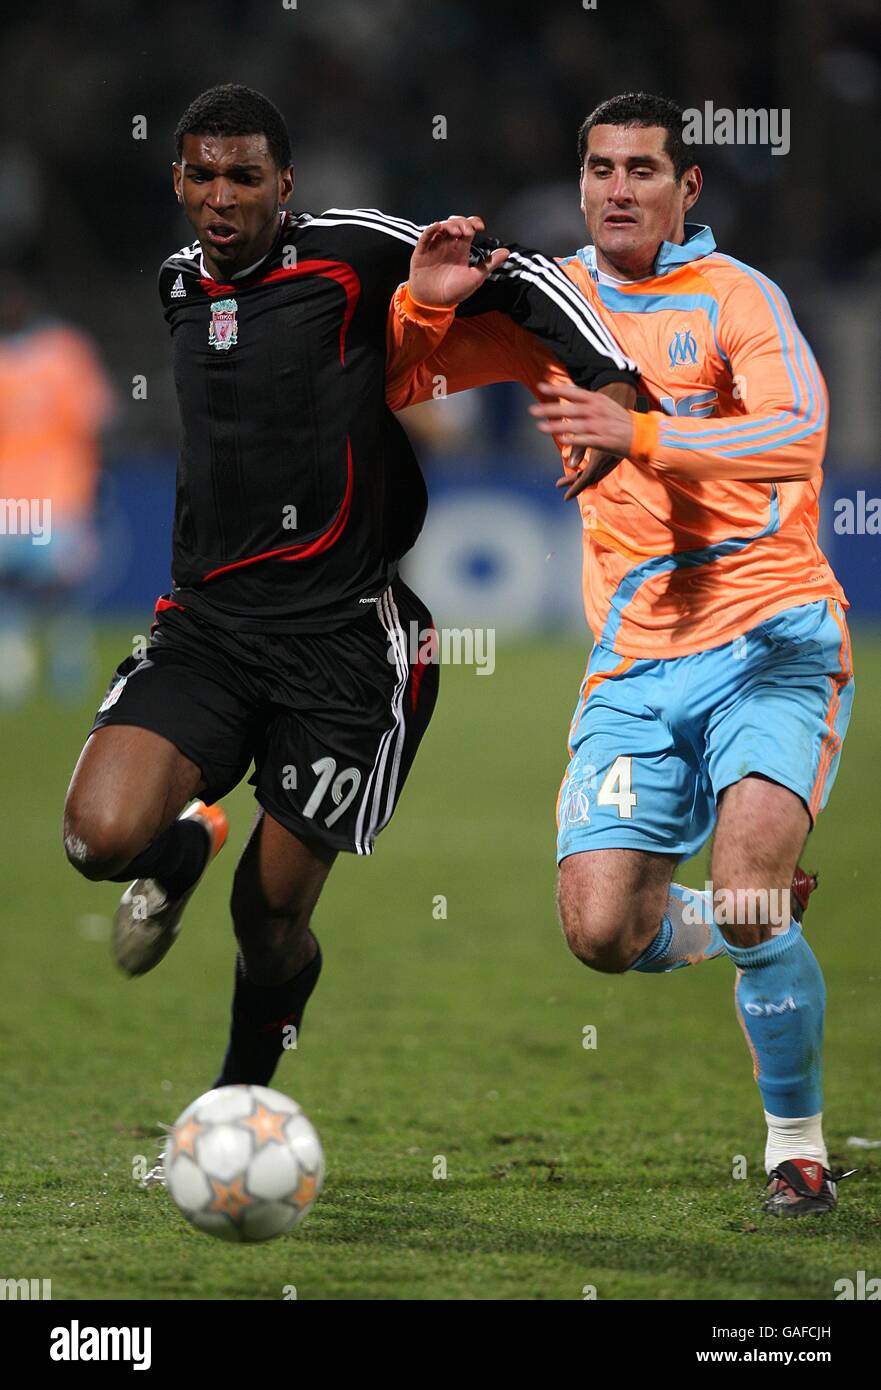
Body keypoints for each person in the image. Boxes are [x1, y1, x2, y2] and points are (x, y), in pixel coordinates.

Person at [61, 84, 638, 1173]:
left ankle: (233, 1110)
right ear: (177, 181)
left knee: (267, 919)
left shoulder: (354, 251)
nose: (220, 197)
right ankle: (178, 844)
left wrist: (609, 380)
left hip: (347, 646)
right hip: (207, 630)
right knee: (99, 839)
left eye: (244, 177)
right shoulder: (178, 282)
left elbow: (511, 273)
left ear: (286, 184)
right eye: (200, 175)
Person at [385, 92, 854, 1217]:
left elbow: (796, 433)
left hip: (769, 640)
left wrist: (639, 430)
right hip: (635, 664)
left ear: (686, 189)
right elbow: (399, 383)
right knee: (603, 931)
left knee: (746, 898)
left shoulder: (735, 296)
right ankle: (740, 919)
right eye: (600, 168)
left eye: (643, 169)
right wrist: (419, 300)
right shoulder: (548, 302)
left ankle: (795, 1147)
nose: (617, 189)